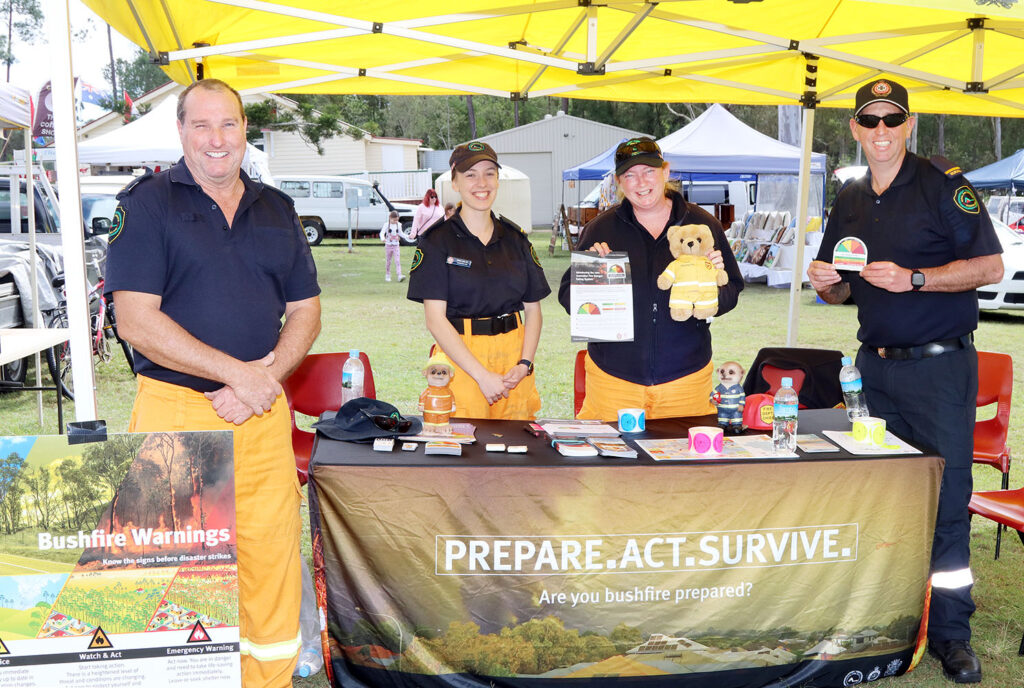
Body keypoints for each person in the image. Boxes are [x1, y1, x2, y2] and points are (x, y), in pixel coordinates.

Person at [105, 78, 322, 688]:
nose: (216, 139)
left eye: (228, 124)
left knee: (270, 555)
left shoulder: (276, 207)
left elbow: (306, 310)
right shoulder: (146, 203)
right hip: (178, 411)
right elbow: (136, 320)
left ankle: (272, 676)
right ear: (180, 132)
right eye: (201, 126)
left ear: (245, 129)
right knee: (174, 566)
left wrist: (264, 378)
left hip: (260, 411)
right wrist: (238, 376)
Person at [807, 78, 1002, 685]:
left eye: (894, 120)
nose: (883, 131)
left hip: (941, 369)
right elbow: (843, 286)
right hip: (873, 371)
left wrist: (916, 279)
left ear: (909, 125)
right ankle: (882, 617)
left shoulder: (945, 184)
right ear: (857, 131)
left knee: (945, 501)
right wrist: (826, 283)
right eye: (871, 122)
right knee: (877, 495)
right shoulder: (851, 196)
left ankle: (951, 634)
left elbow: (990, 266)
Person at [558, 137, 743, 421]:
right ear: (619, 182)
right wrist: (591, 273)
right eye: (629, 175)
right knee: (608, 464)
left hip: (686, 379)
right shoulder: (600, 229)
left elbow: (733, 289)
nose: (640, 182)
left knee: (686, 463)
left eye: (648, 171)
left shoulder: (703, 224)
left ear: (665, 172)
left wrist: (710, 288)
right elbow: (569, 299)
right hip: (613, 380)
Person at [407, 141, 550, 420]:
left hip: (514, 360)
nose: (481, 182)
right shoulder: (437, 241)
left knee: (519, 450)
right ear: (455, 181)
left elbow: (533, 310)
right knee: (465, 452)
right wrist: (481, 376)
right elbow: (435, 319)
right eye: (470, 174)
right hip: (462, 360)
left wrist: (525, 364)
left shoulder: (516, 238)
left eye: (489, 173)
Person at [379, 210, 410, 282]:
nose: (395, 221)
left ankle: (399, 275)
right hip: (388, 245)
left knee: (397, 261)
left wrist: (408, 236)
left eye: (397, 220)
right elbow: (382, 233)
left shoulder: (398, 225)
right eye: (394, 220)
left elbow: (401, 233)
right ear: (390, 218)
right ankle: (387, 275)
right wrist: (383, 238)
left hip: (396, 245)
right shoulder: (386, 225)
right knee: (388, 261)